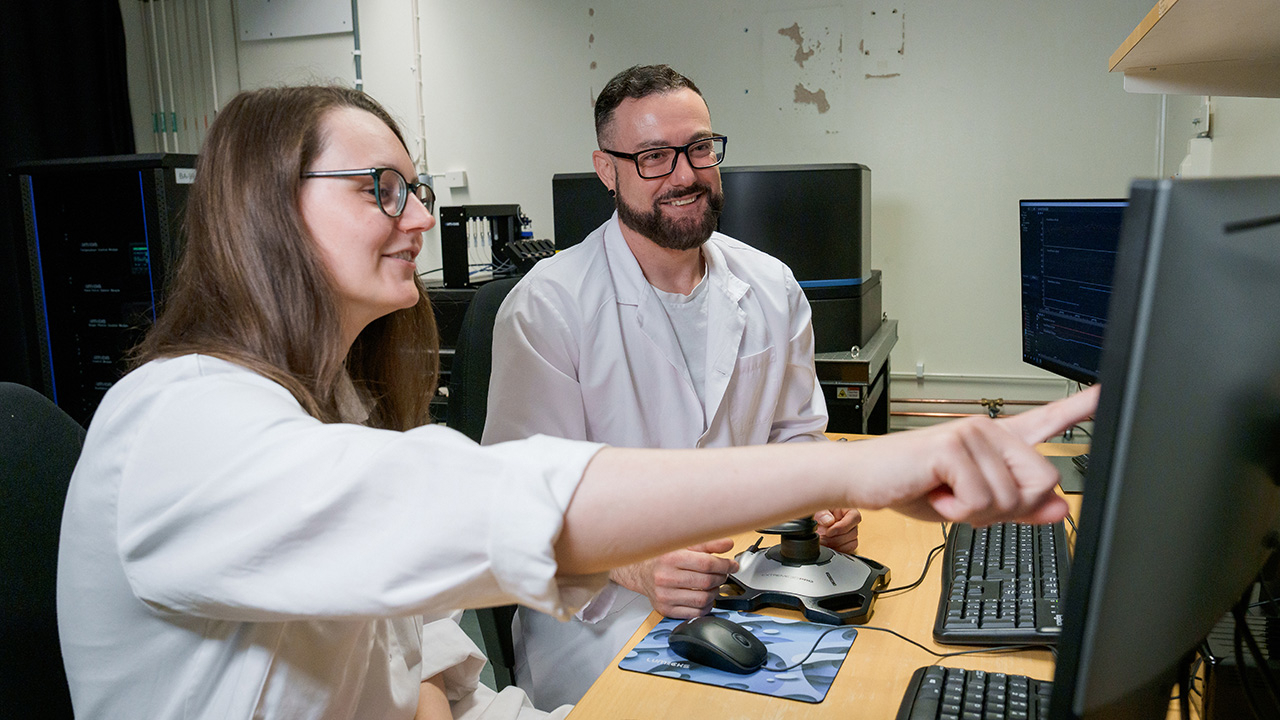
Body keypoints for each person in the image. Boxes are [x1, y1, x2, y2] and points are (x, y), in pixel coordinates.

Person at [55, 83, 1097, 720]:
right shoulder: (175, 423)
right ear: (260, 210)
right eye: (380, 188)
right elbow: (490, 498)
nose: (418, 217)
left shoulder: (334, 413)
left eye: (414, 187)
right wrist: (855, 463)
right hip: (611, 613)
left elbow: (434, 680)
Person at [481, 64, 854, 708]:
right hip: (601, 622)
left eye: (700, 148)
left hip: (750, 587)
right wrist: (637, 568)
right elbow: (516, 508)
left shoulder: (771, 286)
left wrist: (820, 505)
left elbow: (798, 437)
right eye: (653, 156)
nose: (684, 174)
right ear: (607, 170)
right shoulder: (549, 307)